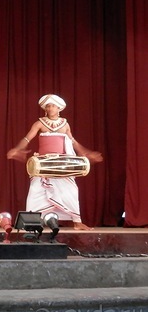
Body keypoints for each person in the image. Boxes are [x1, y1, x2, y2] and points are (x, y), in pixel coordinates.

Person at [7, 94, 103, 230]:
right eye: (48, 106)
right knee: (36, 191)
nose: (50, 108)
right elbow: (27, 138)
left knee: (71, 190)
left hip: (62, 164)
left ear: (59, 108)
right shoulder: (39, 122)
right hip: (44, 163)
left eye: (53, 106)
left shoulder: (65, 124)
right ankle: (32, 222)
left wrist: (87, 153)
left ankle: (77, 222)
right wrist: (17, 149)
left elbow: (73, 142)